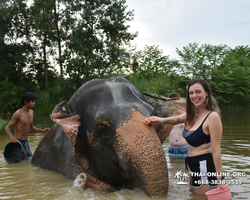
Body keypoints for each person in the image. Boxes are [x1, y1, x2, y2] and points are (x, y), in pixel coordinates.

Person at [146, 79, 224, 195]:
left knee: (201, 197)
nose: (194, 96)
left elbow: (216, 150)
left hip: (204, 166)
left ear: (206, 93)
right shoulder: (192, 114)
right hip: (193, 165)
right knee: (194, 195)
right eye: (191, 93)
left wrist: (220, 179)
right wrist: (159, 120)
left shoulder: (212, 116)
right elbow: (176, 119)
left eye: (198, 92)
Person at [5, 92, 50, 160]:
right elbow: (7, 127)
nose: (34, 103)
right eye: (32, 101)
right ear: (25, 102)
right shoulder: (18, 114)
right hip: (18, 143)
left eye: (35, 101)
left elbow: (31, 127)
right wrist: (11, 138)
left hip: (26, 142)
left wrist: (42, 130)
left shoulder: (31, 112)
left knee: (29, 160)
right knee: (22, 162)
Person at [167, 93, 189, 158]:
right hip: (172, 149)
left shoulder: (186, 114)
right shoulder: (168, 115)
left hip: (184, 148)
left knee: (184, 168)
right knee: (172, 168)